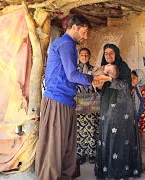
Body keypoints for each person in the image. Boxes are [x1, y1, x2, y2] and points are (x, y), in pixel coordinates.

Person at [35, 15, 108, 180]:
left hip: (65, 101)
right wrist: (93, 79)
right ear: (74, 27)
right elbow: (72, 75)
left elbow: (69, 75)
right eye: (84, 32)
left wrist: (92, 74)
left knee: (66, 148)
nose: (86, 36)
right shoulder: (66, 43)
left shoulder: (67, 45)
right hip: (57, 101)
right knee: (54, 148)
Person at [94, 44, 142, 179]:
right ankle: (108, 170)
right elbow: (101, 89)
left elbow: (126, 86)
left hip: (122, 108)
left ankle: (122, 171)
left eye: (111, 53)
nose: (108, 56)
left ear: (117, 54)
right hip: (107, 106)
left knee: (122, 138)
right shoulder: (102, 69)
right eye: (106, 53)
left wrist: (110, 79)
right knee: (107, 137)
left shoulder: (123, 67)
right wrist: (99, 86)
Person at [76, 47, 100, 165]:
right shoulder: (74, 70)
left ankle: (92, 154)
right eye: (82, 55)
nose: (84, 57)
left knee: (91, 127)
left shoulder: (94, 69)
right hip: (77, 101)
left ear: (89, 57)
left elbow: (98, 83)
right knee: (79, 128)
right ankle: (80, 154)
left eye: (86, 55)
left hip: (91, 100)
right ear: (78, 56)